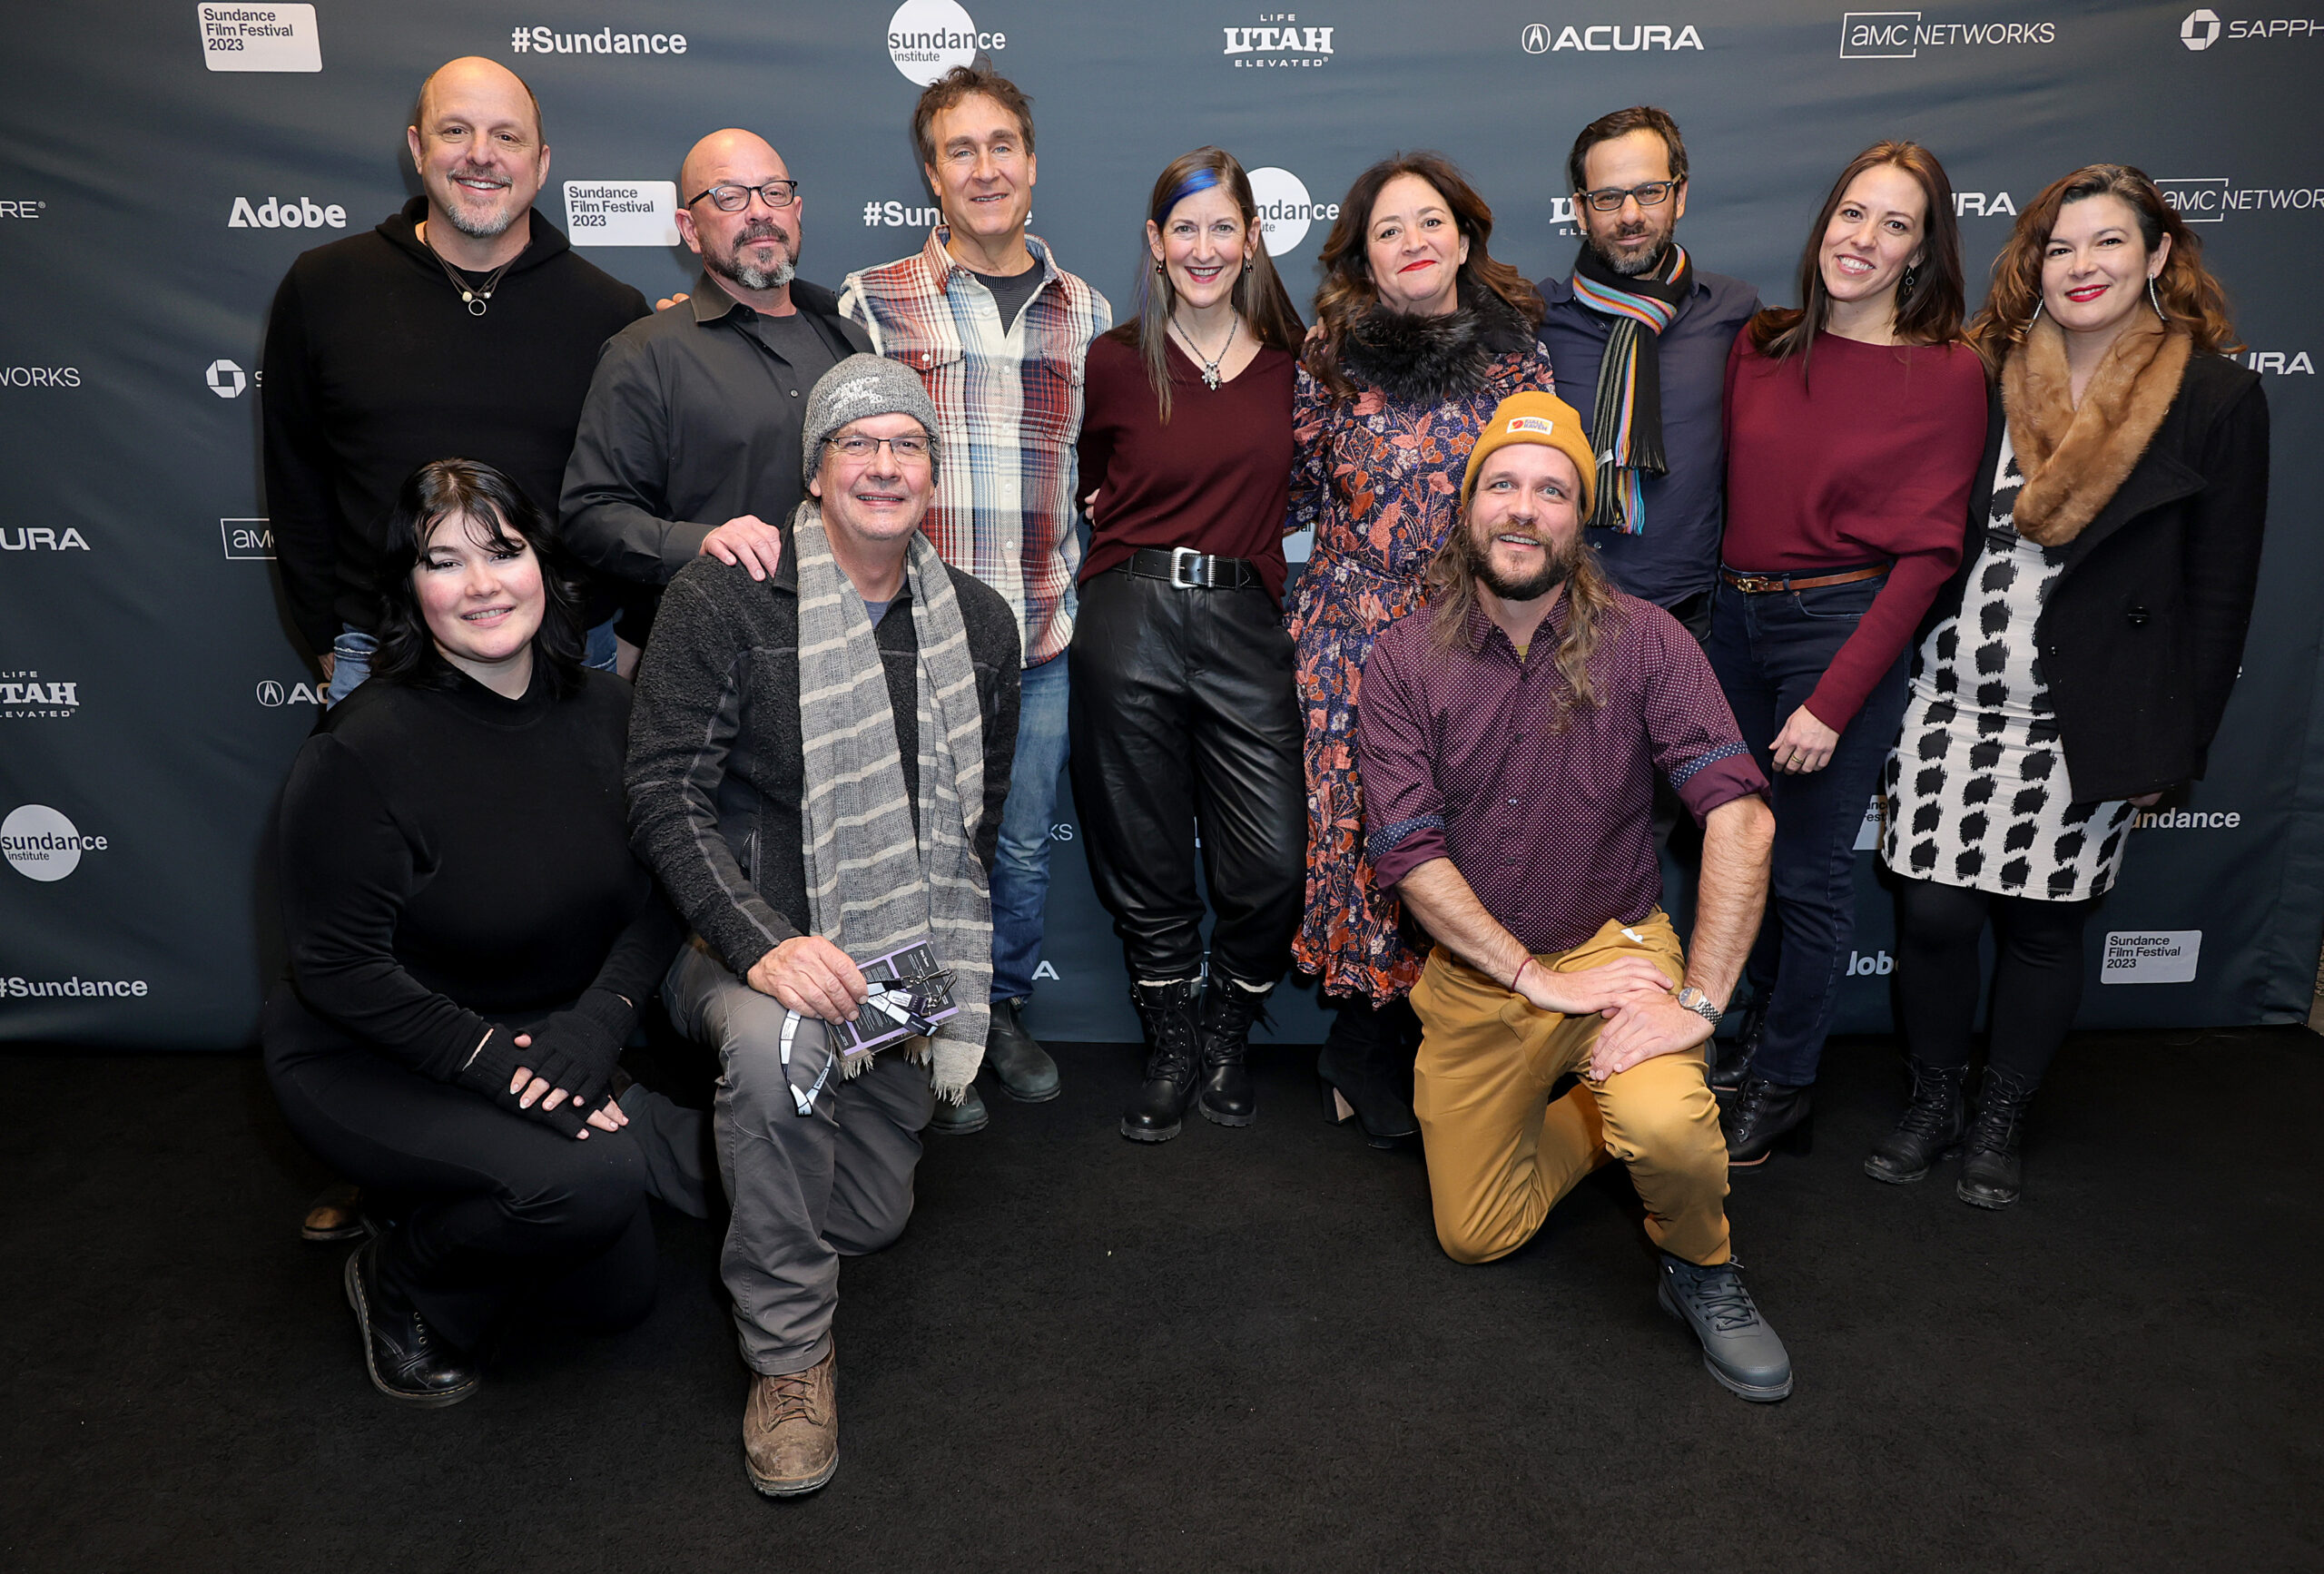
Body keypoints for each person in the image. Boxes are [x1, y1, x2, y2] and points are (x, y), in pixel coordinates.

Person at [625, 356, 1020, 1497]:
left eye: (908, 446)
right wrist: (761, 945)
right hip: (734, 944)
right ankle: (790, 1359)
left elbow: (971, 823)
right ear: (817, 470)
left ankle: (655, 1136)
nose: (885, 466)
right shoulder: (725, 597)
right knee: (782, 1052)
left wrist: (935, 970)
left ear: (933, 476)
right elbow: (662, 793)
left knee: (867, 1216)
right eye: (859, 444)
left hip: (894, 955)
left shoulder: (978, 624)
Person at [1357, 391, 1790, 1402]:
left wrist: (1696, 1006)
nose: (1523, 507)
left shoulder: (1647, 642)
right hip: (1479, 974)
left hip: (1611, 948)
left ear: (1578, 519)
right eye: (1500, 484)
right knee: (1477, 1233)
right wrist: (1528, 981)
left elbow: (1742, 817)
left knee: (1672, 1126)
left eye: (1551, 490)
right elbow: (1410, 854)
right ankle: (1599, 1122)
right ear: (1467, 510)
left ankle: (1702, 1268)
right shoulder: (1400, 660)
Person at [262, 459, 704, 1407]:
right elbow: (339, 970)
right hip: (373, 1056)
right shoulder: (359, 749)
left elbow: (667, 891)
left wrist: (592, 1031)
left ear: (543, 563)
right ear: (407, 587)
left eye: (503, 551)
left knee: (615, 1299)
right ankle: (401, 1278)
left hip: (540, 1032)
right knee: (592, 1186)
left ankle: (456, 1190)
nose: (482, 584)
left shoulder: (614, 713)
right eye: (443, 561)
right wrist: (516, 1078)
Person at [1869, 164, 2269, 1208]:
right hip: (1953, 699)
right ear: (2031, 265)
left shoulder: (2213, 396)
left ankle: (2000, 1114)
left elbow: (2220, 592)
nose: (2081, 266)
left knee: (2045, 928)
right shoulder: (1985, 372)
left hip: (2088, 717)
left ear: (2158, 256)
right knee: (1935, 916)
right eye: (2059, 247)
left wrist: (2174, 747)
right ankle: (1932, 1097)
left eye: (2106, 244)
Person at [838, 65, 1109, 1135]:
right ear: (931, 174)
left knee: (1020, 847)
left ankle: (991, 1017)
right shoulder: (871, 300)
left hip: (1040, 637)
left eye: (1003, 146)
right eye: (961, 150)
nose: (985, 167)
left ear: (1032, 167)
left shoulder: (1086, 311)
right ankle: (913, 1046)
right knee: (904, 845)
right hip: (907, 637)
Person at [1709, 142, 1988, 1166]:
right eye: (1851, 214)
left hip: (1840, 633)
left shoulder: (1948, 374)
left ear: (1921, 252)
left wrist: (1830, 702)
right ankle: (1748, 1050)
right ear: (1822, 221)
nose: (1861, 240)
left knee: (1809, 878)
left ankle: (1784, 1085)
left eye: (1894, 224)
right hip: (1732, 626)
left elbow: (1927, 558)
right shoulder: (1763, 344)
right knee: (1740, 855)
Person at [1286, 152, 1553, 1147]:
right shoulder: (1328, 353)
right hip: (1352, 630)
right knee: (1366, 840)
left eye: (1429, 221)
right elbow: (1291, 492)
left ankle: (1435, 1038)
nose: (1414, 242)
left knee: (1464, 831)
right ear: (1364, 254)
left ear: (1464, 235)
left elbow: (1539, 495)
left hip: (1474, 630)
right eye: (1389, 229)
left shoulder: (1516, 355)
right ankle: (1359, 1046)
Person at [264, 57, 647, 707]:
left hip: (571, 660)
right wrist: (327, 634)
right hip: (380, 659)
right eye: (455, 131)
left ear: (542, 162)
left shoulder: (612, 312)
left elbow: (642, 496)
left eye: (507, 136)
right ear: (417, 148)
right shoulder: (324, 287)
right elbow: (295, 477)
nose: (481, 156)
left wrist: (629, 632)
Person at [1071, 148, 1307, 1142]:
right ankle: (1174, 1039)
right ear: (1156, 245)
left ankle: (1229, 1018)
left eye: (1222, 227)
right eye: (1183, 229)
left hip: (1246, 620)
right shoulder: (1114, 361)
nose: (1203, 248)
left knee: (1273, 868)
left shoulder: (1302, 367)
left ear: (1249, 238)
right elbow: (1096, 479)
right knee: (1145, 854)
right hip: (1128, 612)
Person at [560, 129, 872, 634]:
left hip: (849, 641)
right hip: (714, 653)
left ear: (796, 210)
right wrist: (699, 543)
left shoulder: (850, 341)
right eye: (730, 197)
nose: (759, 212)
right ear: (689, 228)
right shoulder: (646, 353)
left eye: (775, 192)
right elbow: (590, 515)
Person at [1534, 106, 1758, 630]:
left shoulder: (1735, 311)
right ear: (1580, 210)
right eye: (1608, 198)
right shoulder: (1536, 318)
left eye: (1650, 191)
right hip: (1559, 613)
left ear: (1679, 195)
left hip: (1693, 618)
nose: (1630, 214)